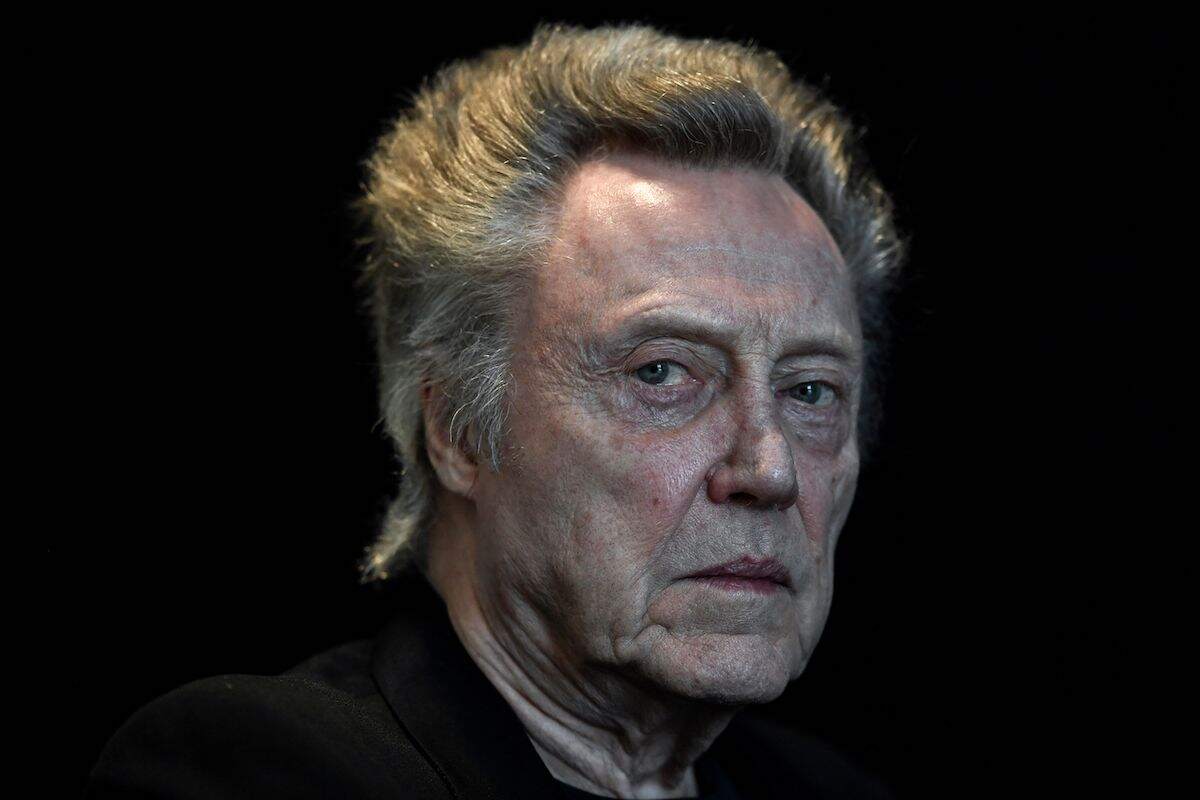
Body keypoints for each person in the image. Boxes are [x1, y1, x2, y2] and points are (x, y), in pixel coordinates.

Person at [90, 23, 904, 799]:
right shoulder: (260, 773)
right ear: (456, 430)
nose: (769, 469)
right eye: (661, 372)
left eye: (810, 391)